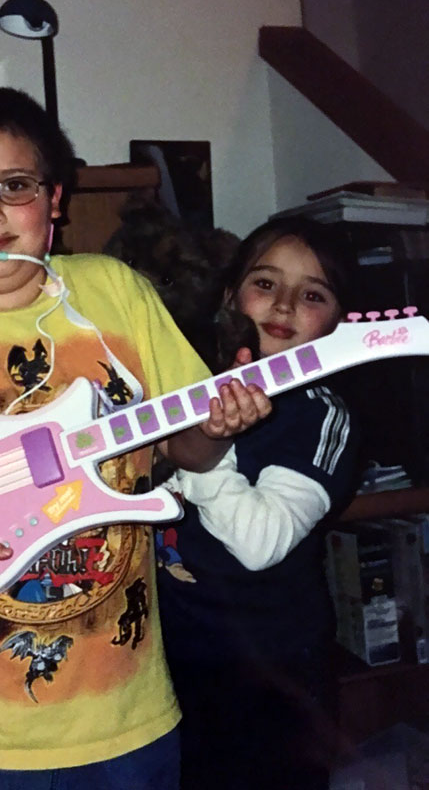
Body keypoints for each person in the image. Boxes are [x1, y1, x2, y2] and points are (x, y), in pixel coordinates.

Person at [0, 80, 271, 790]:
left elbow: (185, 448)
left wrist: (219, 427)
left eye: (14, 185)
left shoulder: (116, 293)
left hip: (129, 720)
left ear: (55, 200)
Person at [156, 217, 360, 790]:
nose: (285, 304)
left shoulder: (320, 414)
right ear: (230, 296)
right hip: (171, 659)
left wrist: (204, 450)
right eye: (266, 283)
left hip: (271, 678)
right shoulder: (188, 385)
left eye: (312, 295)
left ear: (337, 321)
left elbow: (259, 543)